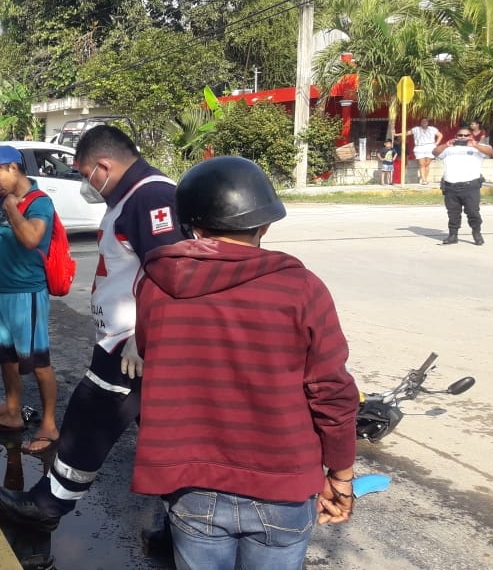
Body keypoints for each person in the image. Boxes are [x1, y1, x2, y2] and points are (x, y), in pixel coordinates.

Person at [132, 156, 359, 569]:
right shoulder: (301, 288)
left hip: (191, 484)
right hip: (282, 483)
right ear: (265, 224)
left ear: (193, 225)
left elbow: (152, 353)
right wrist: (340, 475)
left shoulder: (154, 285)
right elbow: (333, 392)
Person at [0, 125, 187, 531]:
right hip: (123, 340)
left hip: (132, 347)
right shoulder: (130, 198)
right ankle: (186, 519)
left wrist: (145, 336)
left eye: (84, 174)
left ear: (104, 165)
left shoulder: (152, 197)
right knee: (164, 438)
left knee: (88, 418)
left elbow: (172, 274)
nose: (86, 183)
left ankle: (46, 506)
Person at [0, 145, 61, 456]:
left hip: (28, 295)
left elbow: (30, 239)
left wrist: (13, 207)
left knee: (38, 363)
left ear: (13, 168)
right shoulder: (1, 198)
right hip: (4, 292)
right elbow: (0, 237)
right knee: (6, 357)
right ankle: (13, 414)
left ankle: (49, 425)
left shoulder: (40, 204)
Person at [433, 125, 493, 245]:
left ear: (471, 136)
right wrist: (446, 144)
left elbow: (490, 151)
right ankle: (453, 235)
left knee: (473, 212)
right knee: (453, 213)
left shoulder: (477, 148)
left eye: (466, 135)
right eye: (460, 135)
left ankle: (476, 233)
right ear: (456, 136)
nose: (463, 137)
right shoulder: (448, 149)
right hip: (451, 186)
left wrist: (475, 145)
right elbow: (434, 152)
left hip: (470, 186)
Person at [409, 117, 442, 185]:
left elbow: (440, 135)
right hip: (419, 147)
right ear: (420, 122)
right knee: (421, 164)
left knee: (427, 164)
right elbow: (407, 133)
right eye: (423, 121)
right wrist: (396, 134)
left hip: (430, 147)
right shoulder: (416, 129)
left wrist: (436, 143)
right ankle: (424, 180)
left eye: (426, 121)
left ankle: (425, 179)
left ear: (427, 122)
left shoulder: (432, 129)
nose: (424, 122)